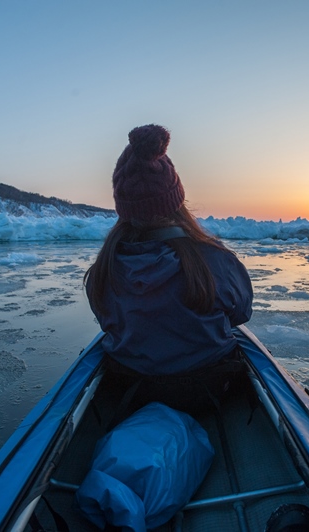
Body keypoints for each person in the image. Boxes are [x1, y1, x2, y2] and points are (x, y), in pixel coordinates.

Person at [84, 124, 253, 410]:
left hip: (132, 392)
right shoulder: (214, 260)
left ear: (123, 208)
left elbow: (106, 322)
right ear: (176, 201)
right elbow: (241, 313)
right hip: (209, 392)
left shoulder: (103, 270)